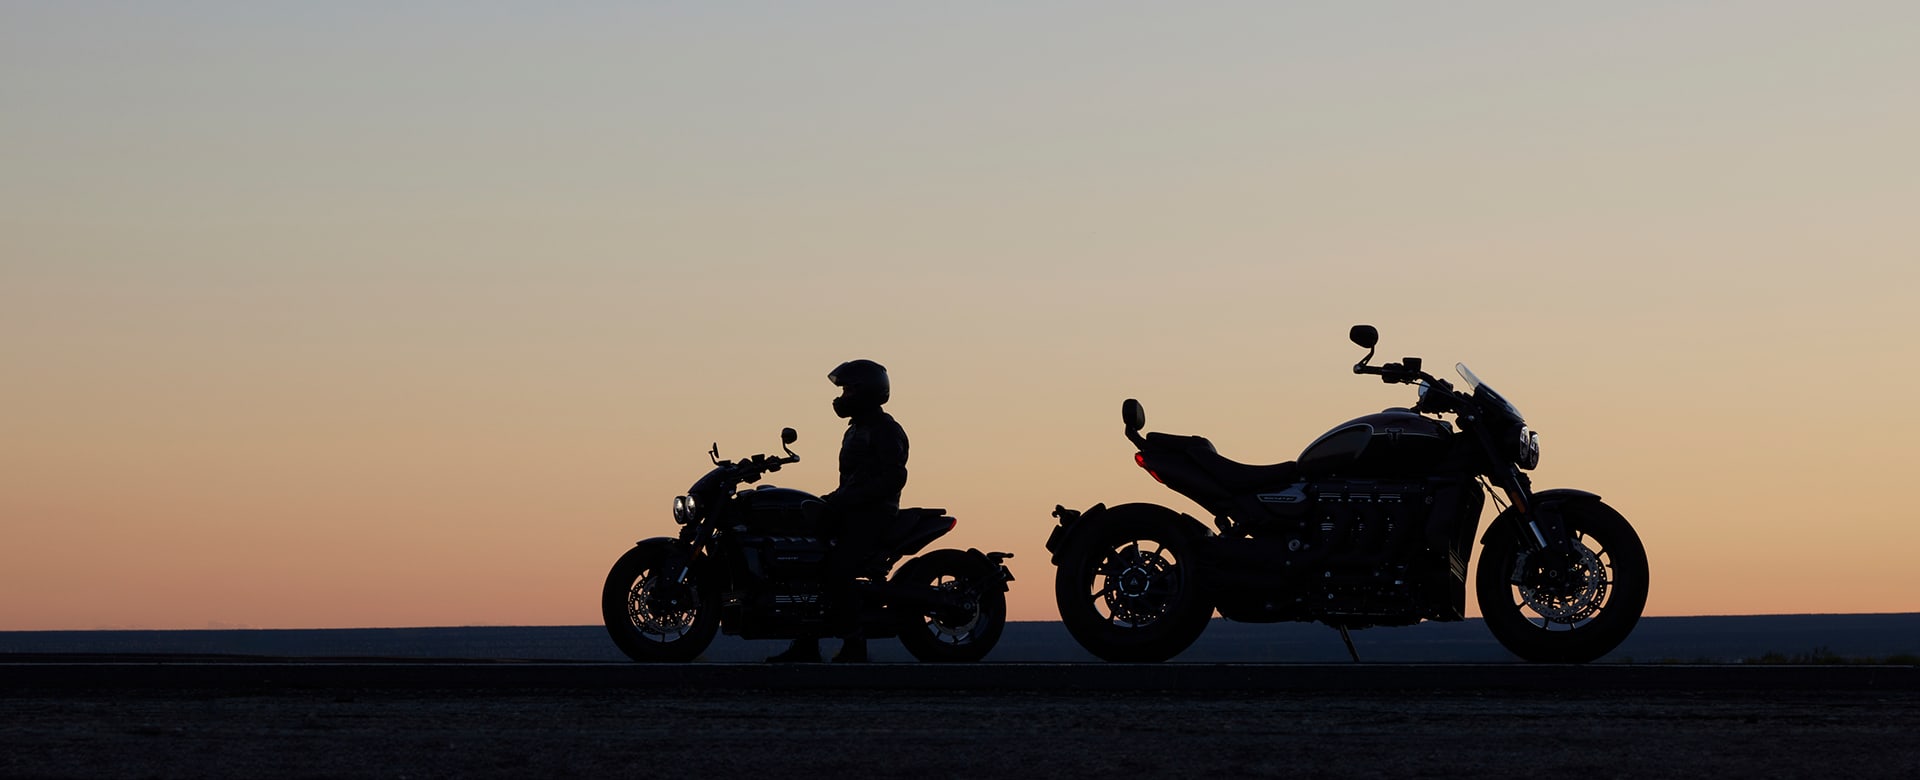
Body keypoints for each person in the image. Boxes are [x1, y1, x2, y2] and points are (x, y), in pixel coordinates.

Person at [767, 359, 910, 663]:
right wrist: (835, 499)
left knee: (837, 568)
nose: (841, 397)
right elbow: (857, 478)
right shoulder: (857, 429)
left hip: (873, 515)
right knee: (806, 561)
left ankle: (854, 642)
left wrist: (848, 499)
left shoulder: (885, 429)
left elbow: (894, 477)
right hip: (851, 510)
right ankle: (806, 643)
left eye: (848, 390)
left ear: (867, 392)